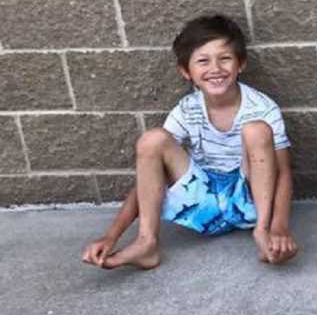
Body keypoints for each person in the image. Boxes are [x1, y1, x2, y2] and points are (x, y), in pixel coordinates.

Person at [81, 14, 299, 270]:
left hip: (248, 200)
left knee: (256, 131)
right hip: (202, 202)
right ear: (186, 71)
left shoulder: (262, 107)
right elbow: (151, 173)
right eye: (203, 61)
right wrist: (112, 235)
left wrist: (278, 228)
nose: (215, 69)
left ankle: (262, 235)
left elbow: (283, 172)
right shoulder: (187, 109)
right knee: (152, 140)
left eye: (225, 58)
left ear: (241, 64)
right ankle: (146, 243)